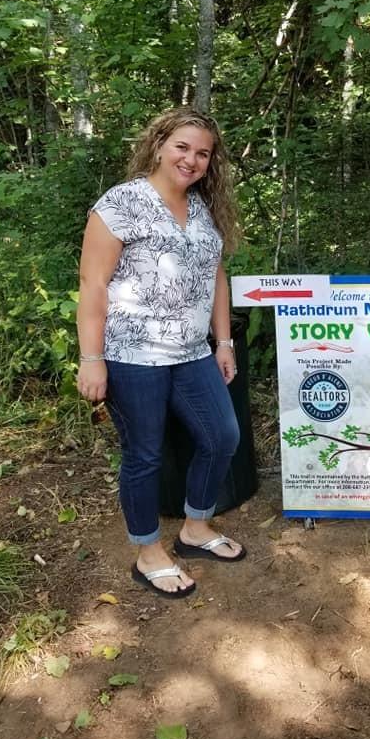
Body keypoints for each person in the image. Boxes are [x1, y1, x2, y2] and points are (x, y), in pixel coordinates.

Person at [76, 106, 247, 599]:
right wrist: (92, 358)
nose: (192, 160)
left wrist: (224, 341)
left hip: (192, 352)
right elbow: (93, 283)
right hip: (131, 355)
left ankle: (195, 529)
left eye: (203, 154)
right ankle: (148, 552)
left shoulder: (201, 208)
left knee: (221, 437)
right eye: (183, 147)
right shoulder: (121, 204)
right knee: (145, 454)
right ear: (158, 145)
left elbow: (215, 275)